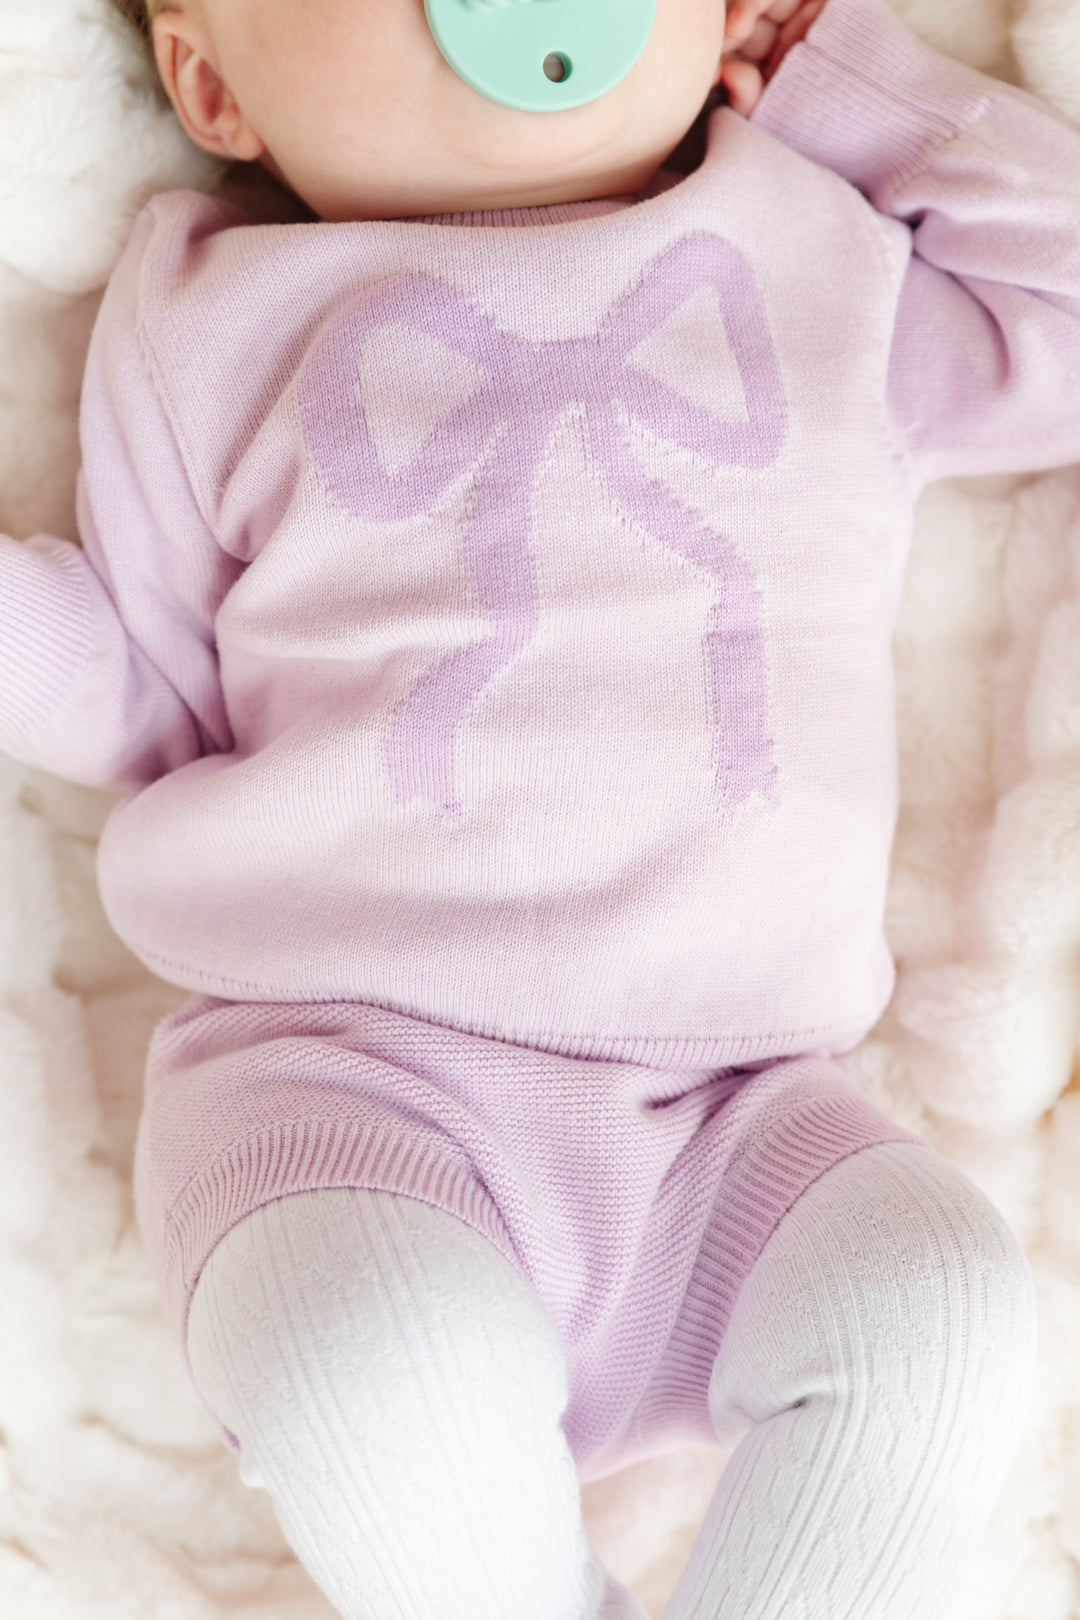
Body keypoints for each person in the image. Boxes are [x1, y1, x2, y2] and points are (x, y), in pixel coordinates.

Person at [6, 0, 1077, 1611]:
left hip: (746, 1109)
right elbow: (149, 685)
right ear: (211, 81)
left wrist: (827, 81)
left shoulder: (817, 249)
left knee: (941, 1315)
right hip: (348, 1085)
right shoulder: (210, 317)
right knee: (374, 1361)